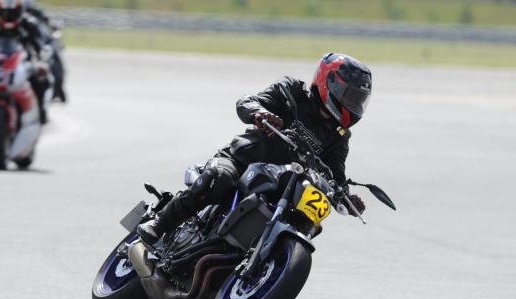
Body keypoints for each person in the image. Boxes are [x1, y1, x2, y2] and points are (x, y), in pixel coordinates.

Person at [138, 53, 371, 245]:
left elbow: (334, 174)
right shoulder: (292, 92)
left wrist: (345, 197)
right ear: (328, 83)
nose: (354, 104)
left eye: (360, 99)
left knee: (308, 218)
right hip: (243, 160)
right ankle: (159, 224)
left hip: (282, 186)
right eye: (351, 96)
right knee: (220, 179)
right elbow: (247, 102)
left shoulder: (338, 136)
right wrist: (259, 113)